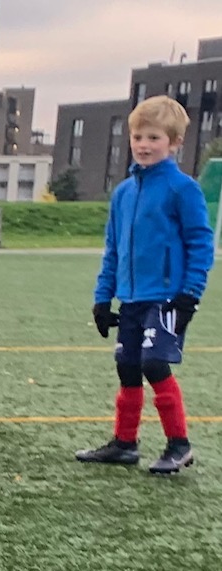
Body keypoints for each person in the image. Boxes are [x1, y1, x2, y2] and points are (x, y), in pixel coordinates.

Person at [75, 95, 214, 476]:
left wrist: (190, 294)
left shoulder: (182, 189)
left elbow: (201, 244)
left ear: (174, 143)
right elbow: (113, 250)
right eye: (138, 136)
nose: (143, 144)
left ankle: (179, 444)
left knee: (155, 363)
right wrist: (103, 299)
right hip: (132, 298)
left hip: (168, 297)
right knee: (128, 366)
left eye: (153, 137)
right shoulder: (123, 193)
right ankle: (124, 443)